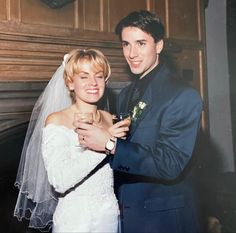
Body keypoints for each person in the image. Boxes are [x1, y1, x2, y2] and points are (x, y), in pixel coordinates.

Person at [76, 10, 203, 233]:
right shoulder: (125, 94)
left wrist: (110, 144)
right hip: (127, 214)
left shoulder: (183, 95)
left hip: (164, 220)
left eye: (141, 43)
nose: (132, 53)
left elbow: (170, 164)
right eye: (126, 44)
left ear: (159, 46)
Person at [14, 48, 129, 232]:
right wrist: (107, 144)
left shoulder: (110, 118)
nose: (93, 83)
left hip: (109, 217)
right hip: (75, 221)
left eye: (99, 76)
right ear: (70, 83)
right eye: (84, 77)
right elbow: (59, 180)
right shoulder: (56, 120)